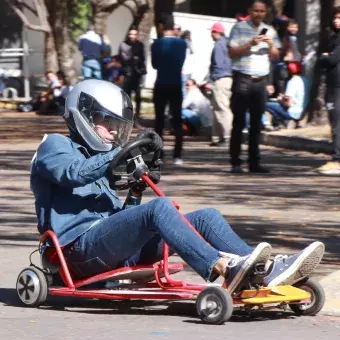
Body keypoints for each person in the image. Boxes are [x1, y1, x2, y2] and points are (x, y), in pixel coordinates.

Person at [30, 79, 325, 294]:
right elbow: (73, 174)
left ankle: (262, 270)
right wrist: (118, 155)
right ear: (82, 114)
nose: (111, 131)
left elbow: (117, 220)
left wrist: (134, 191)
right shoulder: (56, 146)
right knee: (160, 207)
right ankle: (223, 268)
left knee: (205, 216)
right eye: (104, 122)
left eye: (115, 125)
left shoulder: (100, 160)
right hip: (77, 253)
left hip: (108, 248)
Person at [228, 0, 281, 174]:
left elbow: (275, 56)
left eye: (262, 11)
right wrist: (250, 44)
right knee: (239, 122)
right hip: (243, 79)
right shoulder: (239, 28)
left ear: (265, 12)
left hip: (260, 82)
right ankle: (235, 162)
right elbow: (231, 53)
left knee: (257, 124)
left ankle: (254, 162)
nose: (259, 14)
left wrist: (271, 44)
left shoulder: (271, 30)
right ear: (250, 11)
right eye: (256, 10)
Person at [151, 15, 187, 166]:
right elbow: (181, 62)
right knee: (177, 120)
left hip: (161, 83)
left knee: (159, 120)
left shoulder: (156, 44)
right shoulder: (183, 44)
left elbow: (154, 65)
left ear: (160, 26)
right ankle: (177, 155)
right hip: (176, 83)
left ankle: (159, 154)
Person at [316, 6, 340, 175]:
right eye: (335, 18)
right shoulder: (333, 37)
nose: (336, 21)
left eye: (339, 18)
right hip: (332, 85)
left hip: (338, 86)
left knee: (337, 124)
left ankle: (337, 160)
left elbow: (331, 59)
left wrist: (324, 56)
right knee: (334, 123)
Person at [205, 22, 233, 147]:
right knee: (217, 108)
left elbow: (217, 65)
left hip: (220, 79)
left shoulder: (218, 45)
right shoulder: (227, 43)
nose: (211, 34)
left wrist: (211, 79)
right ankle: (217, 137)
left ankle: (226, 136)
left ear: (217, 32)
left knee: (221, 108)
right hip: (227, 79)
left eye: (212, 32)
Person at [265, 61, 305, 127]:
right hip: (303, 112)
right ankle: (280, 122)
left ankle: (276, 122)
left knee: (266, 105)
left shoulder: (292, 81)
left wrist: (280, 99)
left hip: (293, 112)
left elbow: (288, 103)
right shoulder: (305, 80)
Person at [118, 27, 146, 122]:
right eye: (130, 34)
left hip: (137, 74)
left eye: (134, 34)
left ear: (137, 35)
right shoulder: (123, 44)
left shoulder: (140, 45)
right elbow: (122, 59)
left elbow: (142, 59)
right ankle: (126, 117)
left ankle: (137, 117)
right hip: (127, 73)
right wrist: (133, 59)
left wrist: (135, 60)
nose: (132, 36)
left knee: (138, 96)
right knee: (126, 96)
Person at [181, 30, 194, 98]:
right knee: (187, 88)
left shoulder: (184, 43)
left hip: (185, 70)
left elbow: (183, 58)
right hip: (189, 70)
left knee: (183, 89)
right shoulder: (190, 43)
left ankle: (184, 105)